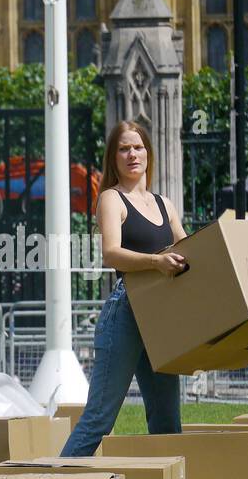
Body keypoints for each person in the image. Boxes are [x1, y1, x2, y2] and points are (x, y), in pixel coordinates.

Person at [61, 120, 186, 457]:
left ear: (149, 152)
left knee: (167, 422)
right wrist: (156, 262)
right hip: (127, 312)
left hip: (160, 317)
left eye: (138, 147)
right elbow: (111, 253)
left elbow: (188, 250)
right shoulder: (111, 199)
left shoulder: (165, 204)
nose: (132, 154)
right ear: (113, 158)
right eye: (124, 149)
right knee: (100, 418)